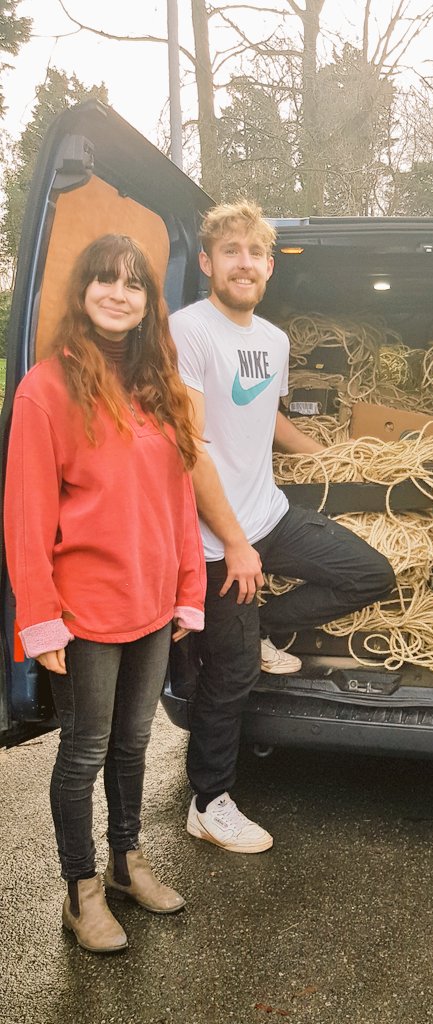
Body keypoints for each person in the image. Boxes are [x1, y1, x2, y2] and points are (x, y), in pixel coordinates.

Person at [169, 199, 395, 855]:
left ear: (269, 266)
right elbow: (192, 447)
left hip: (269, 515)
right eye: (231, 251)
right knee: (232, 678)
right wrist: (235, 546)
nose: (244, 263)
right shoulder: (189, 331)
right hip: (217, 542)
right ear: (209, 262)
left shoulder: (273, 340)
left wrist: (333, 459)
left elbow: (265, 417)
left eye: (255, 253)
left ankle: (266, 626)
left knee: (367, 572)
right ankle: (209, 802)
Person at [3, 235, 206, 953]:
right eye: (104, 280)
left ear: (150, 302)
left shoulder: (159, 385)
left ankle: (127, 863)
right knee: (85, 751)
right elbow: (26, 517)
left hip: (154, 607)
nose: (118, 293)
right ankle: (80, 890)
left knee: (134, 744)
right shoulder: (46, 388)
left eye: (133, 284)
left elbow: (179, 501)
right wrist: (41, 622)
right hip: (83, 612)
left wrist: (190, 590)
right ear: (83, 291)